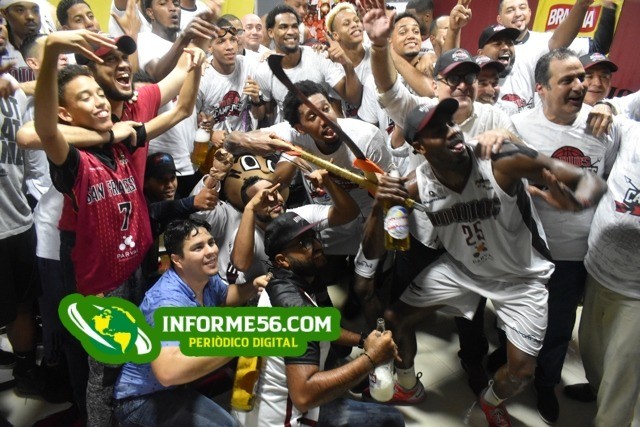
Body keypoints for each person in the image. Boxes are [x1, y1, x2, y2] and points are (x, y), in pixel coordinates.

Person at [363, 98, 607, 423]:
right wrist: (380, 206)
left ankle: (490, 401)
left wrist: (576, 201)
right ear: (419, 147)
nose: (452, 132)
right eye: (438, 130)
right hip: (463, 269)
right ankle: (407, 386)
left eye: (450, 123)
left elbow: (590, 183)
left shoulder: (500, 160)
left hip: (522, 278)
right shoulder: (415, 186)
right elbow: (376, 250)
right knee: (395, 319)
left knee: (521, 372)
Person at [33, 29, 204, 424]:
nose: (97, 100)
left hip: (132, 266)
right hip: (101, 283)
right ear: (65, 113)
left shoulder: (124, 139)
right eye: (84, 97)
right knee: (103, 371)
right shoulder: (72, 159)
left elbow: (181, 110)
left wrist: (195, 66)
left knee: (132, 352)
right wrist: (52, 50)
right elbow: (43, 128)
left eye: (98, 93)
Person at [511, 47, 621, 424]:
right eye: (567, 80)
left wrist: (611, 108)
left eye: (581, 77)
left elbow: (608, 184)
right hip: (527, 247)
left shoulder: (603, 126)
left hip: (575, 252)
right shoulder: (519, 126)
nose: (580, 86)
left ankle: (546, 382)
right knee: (516, 314)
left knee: (559, 325)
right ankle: (510, 360)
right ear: (541, 88)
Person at [233, 212, 405, 427]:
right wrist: (372, 358)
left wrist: (363, 340)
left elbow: (318, 326)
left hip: (259, 408)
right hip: (285, 419)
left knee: (337, 360)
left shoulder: (279, 284)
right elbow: (304, 396)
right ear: (282, 260)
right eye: (303, 243)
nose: (316, 245)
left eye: (314, 237)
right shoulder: (295, 308)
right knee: (392, 420)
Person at [114, 218, 262, 426]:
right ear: (178, 260)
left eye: (211, 243)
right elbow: (167, 372)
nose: (211, 251)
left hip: (173, 389)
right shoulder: (166, 303)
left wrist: (254, 286)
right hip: (140, 400)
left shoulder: (204, 278)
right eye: (198, 248)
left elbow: (225, 295)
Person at [572, 117, 640, 427]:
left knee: (621, 375)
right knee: (591, 347)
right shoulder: (631, 131)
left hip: (635, 291)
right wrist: (605, 105)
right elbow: (614, 110)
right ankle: (596, 388)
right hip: (599, 270)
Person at [254, 4, 362, 125]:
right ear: (270, 32)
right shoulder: (264, 70)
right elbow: (267, 112)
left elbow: (353, 99)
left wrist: (347, 64)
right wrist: (255, 101)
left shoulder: (319, 56)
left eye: (294, 26)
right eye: (283, 27)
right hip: (291, 132)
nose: (291, 32)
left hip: (324, 129)